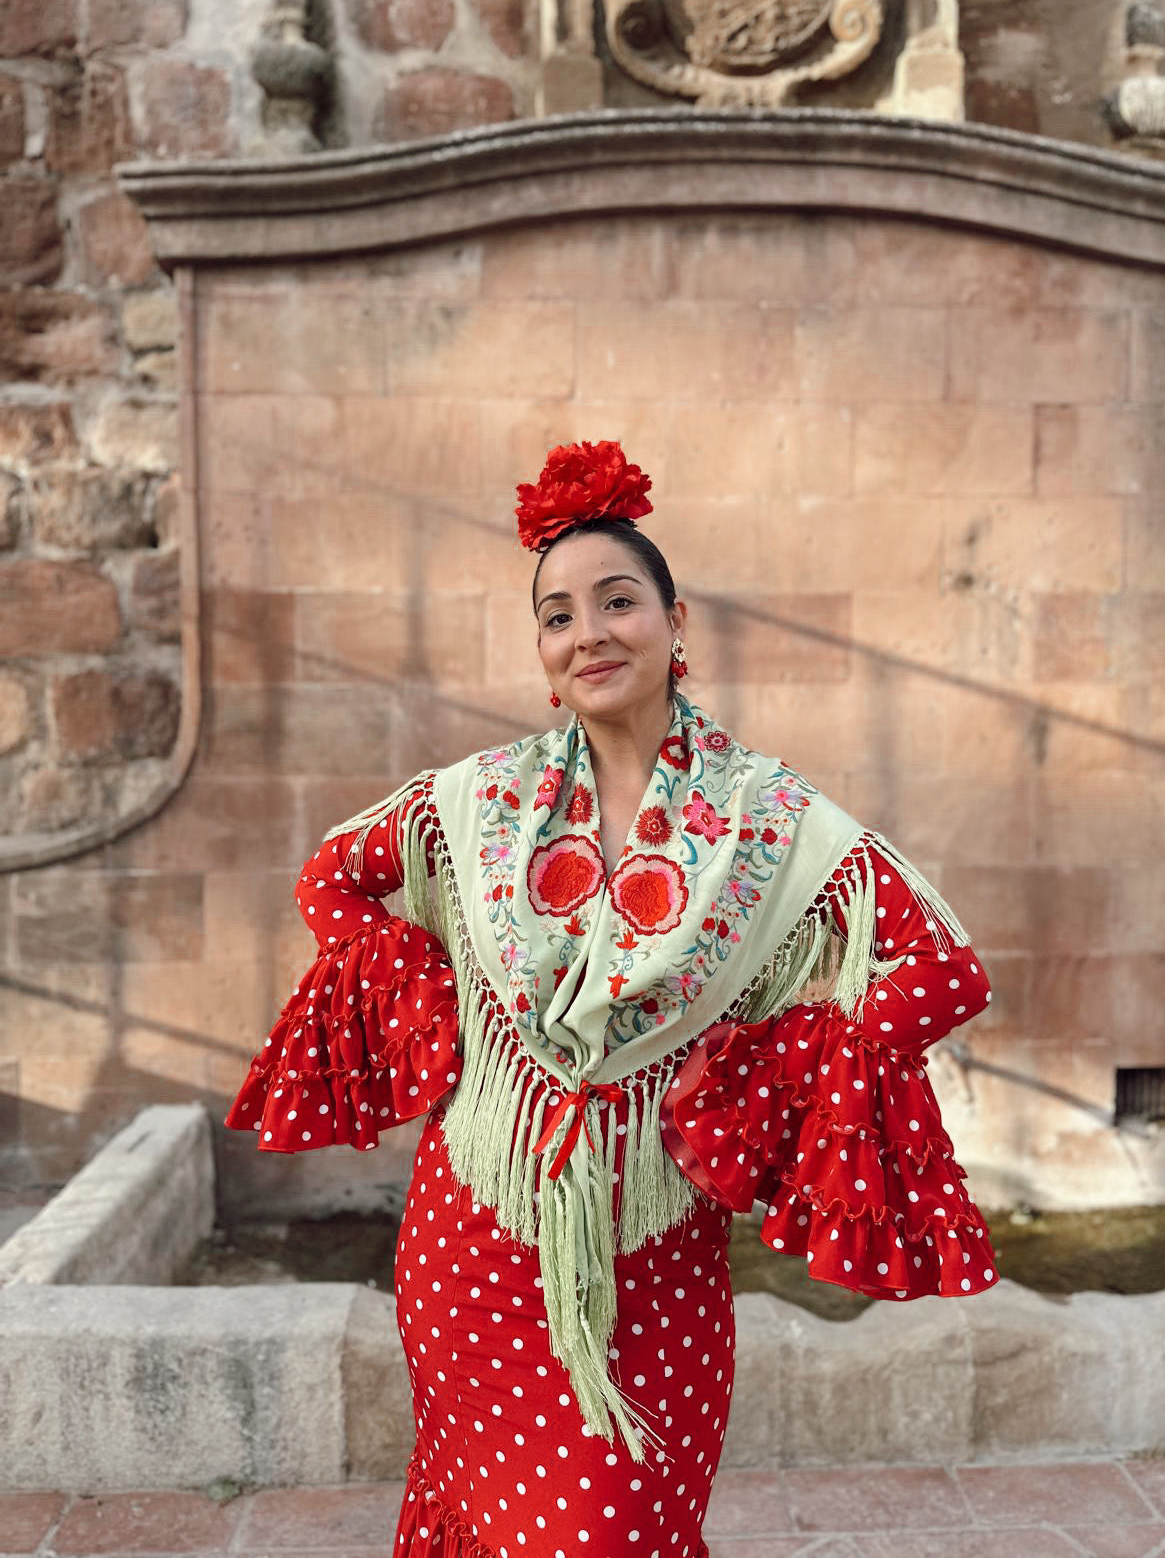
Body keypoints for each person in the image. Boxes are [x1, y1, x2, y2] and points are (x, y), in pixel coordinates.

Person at [225, 439, 997, 1558]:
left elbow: (942, 971)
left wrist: (757, 1068)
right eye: (557, 614)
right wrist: (434, 1001)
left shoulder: (771, 821)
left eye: (618, 600)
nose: (588, 630)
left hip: (653, 1266)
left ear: (678, 624)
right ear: (543, 652)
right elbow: (329, 879)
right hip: (470, 1246)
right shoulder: (479, 801)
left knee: (613, 1532)